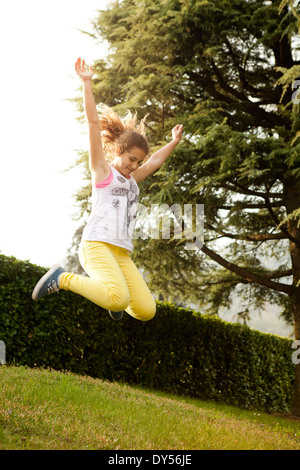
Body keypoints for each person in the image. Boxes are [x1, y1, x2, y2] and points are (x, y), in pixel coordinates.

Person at [32, 57, 183, 321]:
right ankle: (63, 278)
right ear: (117, 151)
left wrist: (173, 142)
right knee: (119, 296)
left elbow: (155, 161)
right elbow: (92, 123)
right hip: (96, 245)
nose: (134, 166)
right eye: (131, 160)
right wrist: (87, 83)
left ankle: (112, 298)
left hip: (121, 251)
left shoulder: (133, 179)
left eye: (138, 162)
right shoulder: (103, 171)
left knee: (146, 311)